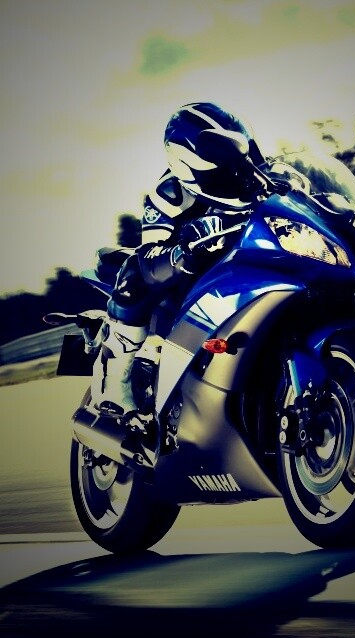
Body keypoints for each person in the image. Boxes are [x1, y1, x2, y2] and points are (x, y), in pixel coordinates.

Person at [89, 101, 269, 428]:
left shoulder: (258, 172)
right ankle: (114, 380)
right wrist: (184, 252)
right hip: (185, 287)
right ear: (188, 166)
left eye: (236, 162)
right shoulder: (168, 194)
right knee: (134, 270)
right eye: (221, 170)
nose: (233, 175)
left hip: (241, 274)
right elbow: (150, 258)